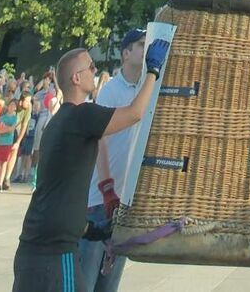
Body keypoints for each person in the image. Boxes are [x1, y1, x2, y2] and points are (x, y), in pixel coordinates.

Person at [13, 37, 167, 292]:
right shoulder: (81, 114)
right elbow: (135, 113)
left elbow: (60, 189)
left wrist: (90, 230)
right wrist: (153, 70)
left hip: (33, 247)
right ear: (76, 78)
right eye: (91, 67)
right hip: (56, 250)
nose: (96, 72)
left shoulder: (58, 122)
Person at [79, 30, 149, 292]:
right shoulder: (111, 91)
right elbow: (101, 142)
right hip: (100, 200)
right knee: (86, 276)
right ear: (126, 53)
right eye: (141, 45)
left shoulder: (146, 90)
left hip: (124, 200)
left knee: (110, 279)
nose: (146, 49)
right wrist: (107, 187)